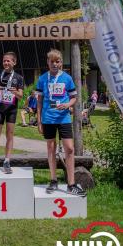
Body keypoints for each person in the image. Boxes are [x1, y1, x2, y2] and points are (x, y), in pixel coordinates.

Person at [36, 49, 86, 197]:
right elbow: (39, 101)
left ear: (61, 63)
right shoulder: (42, 79)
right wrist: (39, 121)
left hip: (63, 118)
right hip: (48, 118)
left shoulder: (67, 78)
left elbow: (74, 97)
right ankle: (53, 180)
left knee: (69, 149)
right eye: (52, 61)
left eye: (57, 61)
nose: (55, 64)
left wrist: (68, 105)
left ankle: (71, 184)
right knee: (51, 149)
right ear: (48, 63)